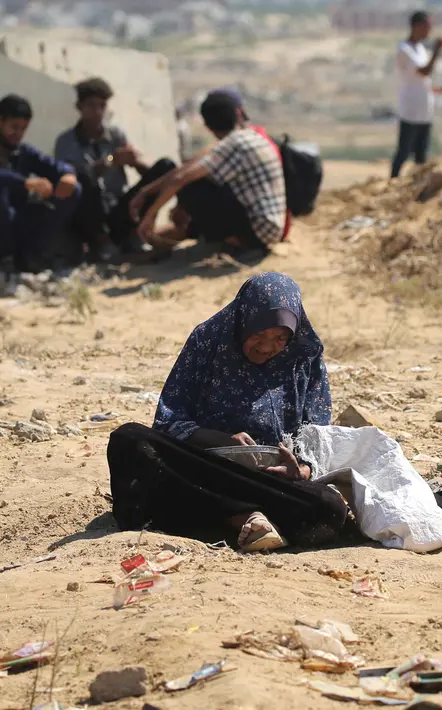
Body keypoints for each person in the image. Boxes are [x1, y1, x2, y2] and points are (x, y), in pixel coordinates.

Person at [107, 272, 347, 552]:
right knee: (129, 439)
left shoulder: (303, 356)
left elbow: (318, 433)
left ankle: (223, 517)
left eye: (280, 338)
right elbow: (168, 420)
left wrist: (303, 469)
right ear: (243, 321)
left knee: (329, 507)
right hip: (202, 467)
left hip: (265, 480)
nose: (268, 347)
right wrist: (219, 440)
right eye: (259, 334)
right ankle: (242, 517)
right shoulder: (208, 341)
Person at [130, 90, 286, 258]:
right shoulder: (249, 137)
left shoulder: (233, 144)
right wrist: (147, 191)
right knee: (200, 180)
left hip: (257, 234)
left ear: (208, 126)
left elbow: (180, 178)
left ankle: (230, 243)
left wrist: (151, 214)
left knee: (193, 186)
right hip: (270, 229)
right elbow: (185, 169)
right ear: (238, 114)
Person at [53, 77, 175, 261]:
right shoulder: (66, 142)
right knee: (83, 177)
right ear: (79, 107)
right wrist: (110, 161)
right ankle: (101, 244)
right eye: (91, 106)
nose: (98, 112)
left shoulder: (116, 135)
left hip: (118, 210)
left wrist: (134, 162)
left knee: (166, 168)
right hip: (89, 218)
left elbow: (146, 175)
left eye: (102, 106)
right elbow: (72, 179)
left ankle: (137, 233)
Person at [0, 94, 80, 273]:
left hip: (19, 226)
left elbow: (53, 166)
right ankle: (2, 260)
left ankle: (32, 255)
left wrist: (68, 174)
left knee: (73, 190)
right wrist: (25, 183)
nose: (18, 134)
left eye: (23, 129)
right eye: (13, 127)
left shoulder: (24, 152)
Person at [392, 10, 442, 178]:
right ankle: (392, 180)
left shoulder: (420, 48)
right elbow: (423, 71)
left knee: (421, 154)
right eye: (427, 26)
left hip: (424, 109)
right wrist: (437, 51)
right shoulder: (404, 49)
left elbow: (422, 79)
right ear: (417, 26)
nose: (430, 30)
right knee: (404, 151)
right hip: (410, 109)